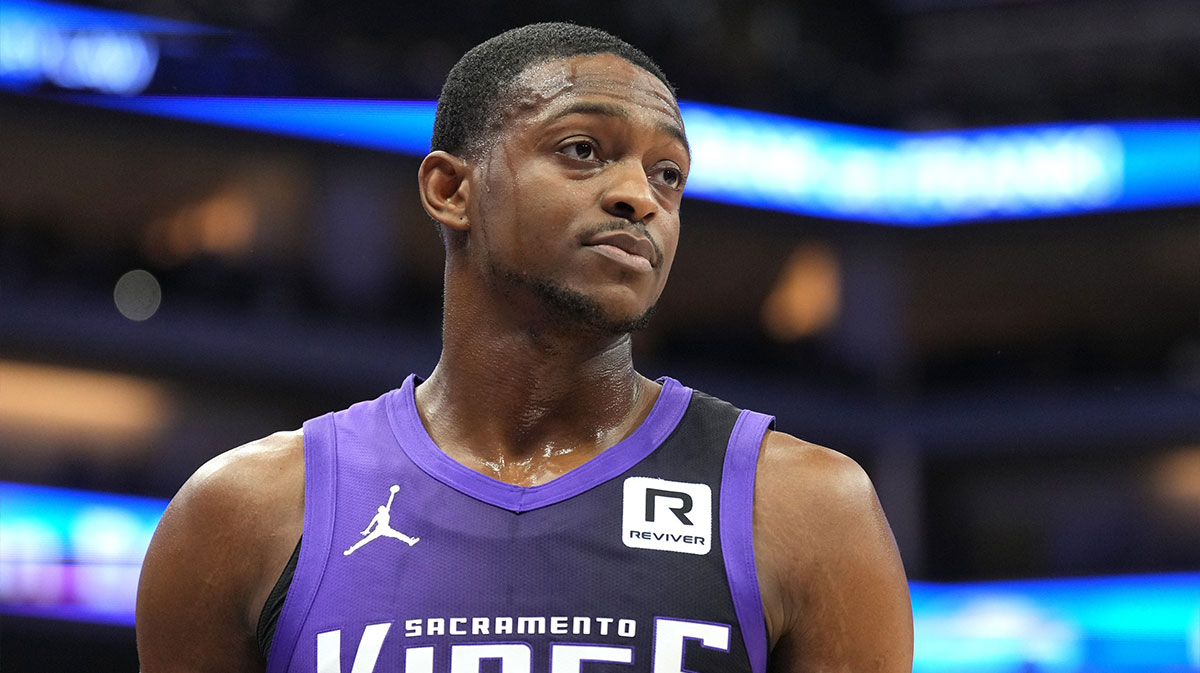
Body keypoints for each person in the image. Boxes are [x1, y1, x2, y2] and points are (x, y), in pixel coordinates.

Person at [136, 22, 912, 673]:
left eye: (668, 173)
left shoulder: (806, 508)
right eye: (582, 149)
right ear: (451, 190)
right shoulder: (242, 514)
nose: (639, 195)